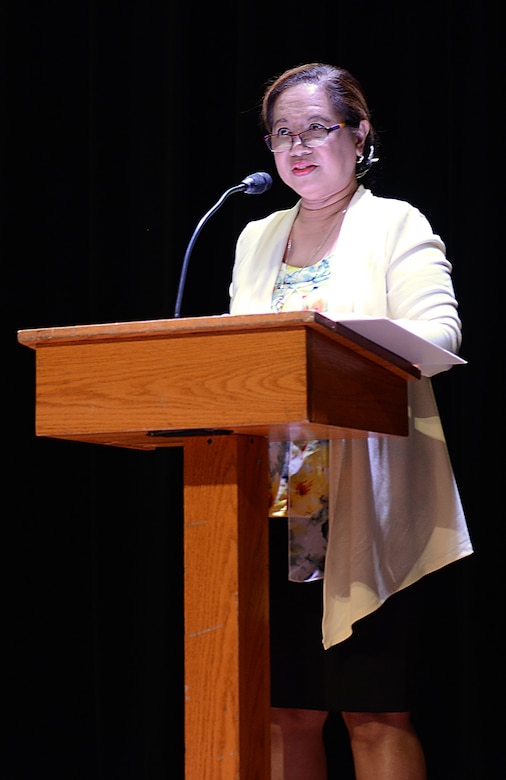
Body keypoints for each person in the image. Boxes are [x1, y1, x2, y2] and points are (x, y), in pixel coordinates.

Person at [228, 63, 473, 780]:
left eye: (316, 127)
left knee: (374, 713)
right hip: (272, 503)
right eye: (282, 133)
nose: (297, 145)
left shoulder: (395, 222)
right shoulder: (254, 237)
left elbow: (440, 337)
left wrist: (337, 343)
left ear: (359, 135)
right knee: (286, 712)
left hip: (367, 497)